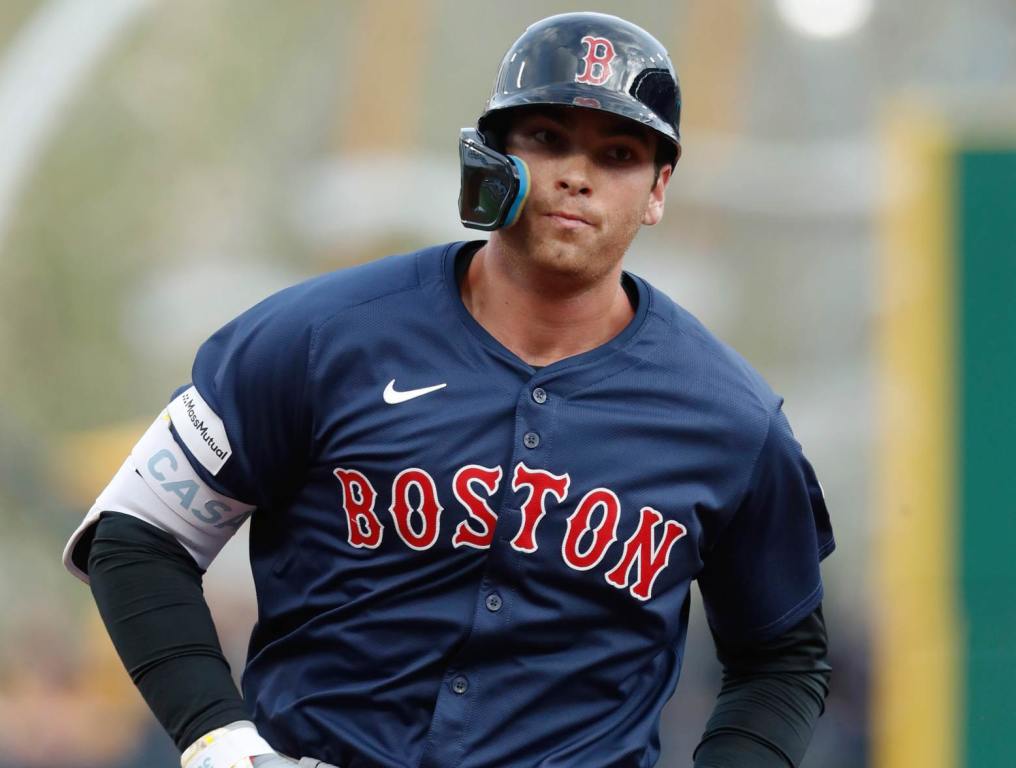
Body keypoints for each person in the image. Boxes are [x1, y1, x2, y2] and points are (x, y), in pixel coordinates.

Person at [63, 12, 834, 768]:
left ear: (658, 188)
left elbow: (784, 657)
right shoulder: (321, 337)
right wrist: (217, 736)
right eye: (547, 137)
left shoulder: (730, 417)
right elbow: (139, 532)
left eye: (619, 152)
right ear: (491, 156)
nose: (577, 173)